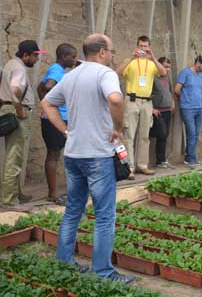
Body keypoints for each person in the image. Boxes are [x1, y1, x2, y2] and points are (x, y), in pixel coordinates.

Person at [41, 33, 134, 284]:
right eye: (111, 51)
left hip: (73, 154)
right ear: (102, 52)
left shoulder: (71, 75)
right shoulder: (105, 74)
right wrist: (118, 127)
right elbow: (115, 99)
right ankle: (103, 272)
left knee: (73, 210)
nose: (112, 55)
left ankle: (64, 263)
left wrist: (65, 130)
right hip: (97, 156)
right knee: (104, 215)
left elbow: (46, 103)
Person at [0, 40, 46, 209]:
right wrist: (19, 110)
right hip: (17, 114)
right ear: (26, 55)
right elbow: (15, 90)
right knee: (14, 157)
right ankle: (9, 201)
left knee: (15, 156)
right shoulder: (18, 68)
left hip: (9, 110)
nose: (36, 59)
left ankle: (16, 194)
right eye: (35, 56)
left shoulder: (10, 64)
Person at [115, 35, 166, 177]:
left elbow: (163, 73)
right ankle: (129, 168)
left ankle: (142, 165)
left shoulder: (152, 63)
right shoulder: (130, 61)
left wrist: (153, 57)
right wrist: (132, 58)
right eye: (141, 46)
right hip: (132, 100)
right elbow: (117, 73)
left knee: (144, 135)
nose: (143, 49)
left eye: (145, 46)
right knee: (129, 135)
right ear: (137, 46)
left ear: (149, 47)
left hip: (147, 102)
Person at [37, 43, 78, 205]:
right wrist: (50, 107)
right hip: (56, 119)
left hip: (55, 117)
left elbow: (40, 87)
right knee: (53, 155)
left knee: (55, 153)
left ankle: (54, 192)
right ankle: (53, 194)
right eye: (72, 57)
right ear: (64, 56)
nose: (74, 60)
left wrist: (45, 104)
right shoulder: (57, 71)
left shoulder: (57, 70)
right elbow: (48, 86)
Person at [175, 55, 202, 168]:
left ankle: (189, 156)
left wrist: (200, 99)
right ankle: (191, 158)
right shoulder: (185, 73)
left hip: (198, 107)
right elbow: (177, 89)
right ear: (197, 63)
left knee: (196, 134)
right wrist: (185, 99)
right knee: (191, 132)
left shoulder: (201, 75)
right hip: (187, 108)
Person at [150, 57, 176, 169]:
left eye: (169, 67)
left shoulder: (167, 77)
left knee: (164, 135)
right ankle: (158, 160)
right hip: (158, 111)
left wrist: (172, 103)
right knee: (161, 133)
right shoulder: (152, 77)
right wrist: (152, 109)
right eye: (165, 67)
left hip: (167, 110)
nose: (167, 69)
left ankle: (162, 160)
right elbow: (147, 94)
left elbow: (169, 91)